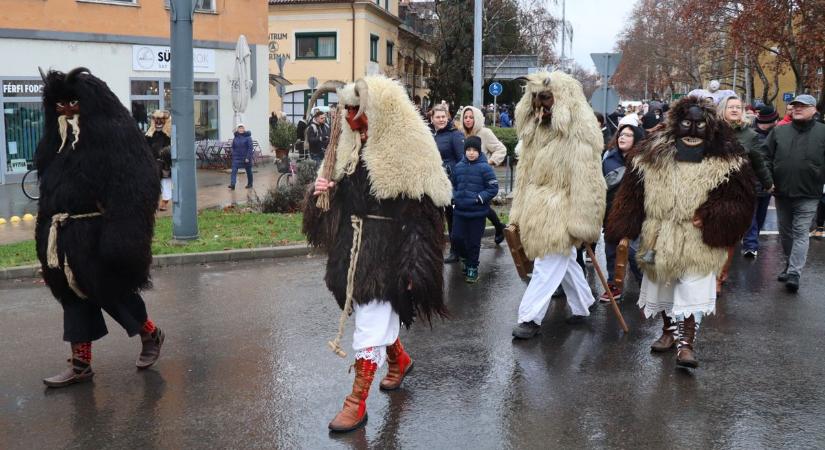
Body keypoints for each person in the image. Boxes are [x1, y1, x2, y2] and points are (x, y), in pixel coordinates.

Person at [303, 76, 451, 432]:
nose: (352, 118)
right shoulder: (349, 149)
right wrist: (321, 193)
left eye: (359, 110)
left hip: (390, 252)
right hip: (352, 252)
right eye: (348, 110)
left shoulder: (409, 149)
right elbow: (333, 208)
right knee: (370, 313)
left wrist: (416, 266)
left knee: (369, 323)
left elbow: (425, 216)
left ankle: (356, 403)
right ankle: (398, 360)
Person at [35, 67, 164, 387]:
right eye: (60, 107)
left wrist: (121, 238)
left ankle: (150, 333)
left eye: (73, 105)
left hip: (97, 234)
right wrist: (44, 242)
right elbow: (48, 196)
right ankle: (81, 364)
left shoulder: (114, 137)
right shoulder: (54, 145)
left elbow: (137, 185)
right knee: (72, 298)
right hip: (63, 237)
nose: (66, 112)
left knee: (112, 293)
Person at [607, 96, 755, 368]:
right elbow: (632, 192)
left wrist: (713, 215)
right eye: (687, 123)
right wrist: (624, 226)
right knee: (663, 285)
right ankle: (668, 333)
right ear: (676, 123)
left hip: (698, 237)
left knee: (691, 288)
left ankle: (686, 344)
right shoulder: (650, 153)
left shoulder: (728, 156)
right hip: (660, 233)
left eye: (700, 125)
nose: (692, 130)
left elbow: (740, 198)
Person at [510, 70, 606, 339]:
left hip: (561, 212)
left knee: (546, 265)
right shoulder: (535, 132)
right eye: (537, 98)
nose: (541, 104)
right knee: (564, 263)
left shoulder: (578, 135)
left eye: (547, 98)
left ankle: (529, 318)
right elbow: (524, 177)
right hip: (536, 209)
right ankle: (583, 304)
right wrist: (518, 211)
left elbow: (588, 182)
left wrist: (584, 223)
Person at [763, 94, 825, 292]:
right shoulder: (779, 132)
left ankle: (794, 273)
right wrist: (768, 180)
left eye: (803, 106)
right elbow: (765, 157)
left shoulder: (823, 132)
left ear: (814, 110)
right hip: (781, 191)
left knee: (800, 232)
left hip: (809, 193)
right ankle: (790, 265)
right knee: (786, 232)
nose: (797, 109)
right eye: (795, 106)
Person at [716, 97, 773, 260]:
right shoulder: (713, 132)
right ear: (722, 110)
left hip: (739, 189)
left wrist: (768, 183)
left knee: (732, 233)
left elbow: (758, 162)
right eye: (730, 107)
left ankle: (722, 276)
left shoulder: (750, 135)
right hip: (714, 188)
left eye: (738, 107)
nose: (734, 110)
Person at [601, 124, 644, 302]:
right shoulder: (609, 159)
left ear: (636, 139)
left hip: (635, 215)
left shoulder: (644, 161)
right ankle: (614, 285)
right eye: (621, 134)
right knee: (612, 251)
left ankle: (645, 286)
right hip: (611, 214)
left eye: (628, 135)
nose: (622, 137)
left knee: (635, 253)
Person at [451, 136, 499, 283]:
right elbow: (453, 186)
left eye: (474, 150)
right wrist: (454, 199)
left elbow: (493, 187)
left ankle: (472, 267)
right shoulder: (458, 167)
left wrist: (479, 198)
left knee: (473, 242)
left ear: (479, 152)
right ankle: (466, 258)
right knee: (456, 238)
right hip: (460, 211)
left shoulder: (485, 168)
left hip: (477, 213)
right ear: (465, 151)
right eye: (468, 150)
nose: (471, 153)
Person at [459, 106, 508, 244]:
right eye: (466, 117)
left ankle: (498, 227)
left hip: (482, 177)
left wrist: (490, 162)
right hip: (465, 176)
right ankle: (499, 227)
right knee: (478, 205)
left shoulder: (485, 133)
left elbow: (501, 149)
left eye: (471, 117)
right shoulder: (461, 134)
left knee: (481, 205)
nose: (468, 120)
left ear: (477, 118)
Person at [742, 105, 780, 254]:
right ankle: (750, 245)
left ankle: (752, 240)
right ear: (772, 120)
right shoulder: (749, 134)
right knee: (751, 214)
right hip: (750, 181)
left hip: (768, 183)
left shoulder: (776, 135)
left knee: (760, 214)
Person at [431, 103, 464, 262]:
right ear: (432, 119)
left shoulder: (454, 135)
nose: (441, 119)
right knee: (436, 217)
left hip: (451, 183)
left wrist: (456, 179)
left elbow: (461, 160)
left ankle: (455, 251)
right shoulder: (430, 135)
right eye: (438, 117)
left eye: (443, 116)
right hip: (434, 182)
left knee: (452, 217)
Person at [146, 109, 172, 211]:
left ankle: (164, 202)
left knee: (166, 183)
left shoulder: (169, 134)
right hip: (152, 162)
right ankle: (153, 202)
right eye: (156, 119)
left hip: (165, 163)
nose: (158, 122)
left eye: (161, 119)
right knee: (152, 183)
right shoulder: (150, 133)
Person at [228, 124, 253, 190]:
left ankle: (250, 184)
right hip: (237, 157)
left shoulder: (248, 137)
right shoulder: (235, 137)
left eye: (242, 128)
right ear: (237, 129)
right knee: (233, 170)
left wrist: (247, 157)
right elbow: (233, 147)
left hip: (246, 158)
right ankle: (232, 184)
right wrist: (233, 153)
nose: (241, 129)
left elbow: (250, 148)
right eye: (239, 128)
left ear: (244, 129)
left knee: (249, 171)